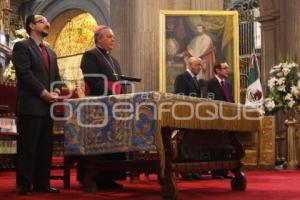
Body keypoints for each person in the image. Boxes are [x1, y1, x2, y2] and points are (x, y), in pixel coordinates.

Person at [12, 14, 61, 195]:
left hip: (48, 107)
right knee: (28, 147)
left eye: (47, 21)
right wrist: (43, 93)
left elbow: (57, 77)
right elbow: (25, 74)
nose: (47, 23)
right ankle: (24, 185)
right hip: (31, 105)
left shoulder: (51, 52)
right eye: (42, 21)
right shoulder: (22, 46)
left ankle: (42, 183)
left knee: (45, 147)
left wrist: (56, 91)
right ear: (32, 25)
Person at [79, 25, 125, 190]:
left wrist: (123, 95)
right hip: (97, 105)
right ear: (99, 38)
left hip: (115, 106)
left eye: (113, 37)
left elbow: (121, 82)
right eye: (110, 36)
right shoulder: (90, 56)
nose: (114, 39)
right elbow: (92, 79)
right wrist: (113, 91)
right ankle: (94, 177)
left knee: (113, 142)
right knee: (99, 142)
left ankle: (110, 177)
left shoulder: (114, 60)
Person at [174, 57, 205, 180]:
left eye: (200, 65)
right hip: (185, 115)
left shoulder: (196, 80)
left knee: (193, 143)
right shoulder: (182, 77)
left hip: (194, 116)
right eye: (197, 64)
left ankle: (193, 170)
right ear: (190, 64)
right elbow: (179, 97)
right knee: (185, 144)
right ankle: (185, 171)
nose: (199, 67)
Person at [207, 61, 234, 179]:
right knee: (216, 144)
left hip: (228, 118)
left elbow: (230, 100)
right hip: (216, 118)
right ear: (217, 70)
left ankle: (224, 171)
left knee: (226, 144)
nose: (228, 70)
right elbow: (209, 101)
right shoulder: (210, 83)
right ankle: (216, 172)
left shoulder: (228, 85)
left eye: (228, 68)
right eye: (225, 68)